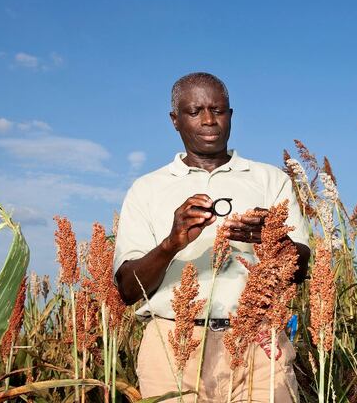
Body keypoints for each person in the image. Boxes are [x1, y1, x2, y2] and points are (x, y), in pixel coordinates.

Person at [113, 72, 311, 402]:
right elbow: (128, 290)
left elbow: (302, 269)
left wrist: (275, 240)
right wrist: (172, 243)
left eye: (218, 110)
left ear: (230, 116)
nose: (209, 120)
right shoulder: (147, 189)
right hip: (172, 343)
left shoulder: (268, 179)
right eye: (195, 111)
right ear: (175, 120)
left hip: (259, 341)